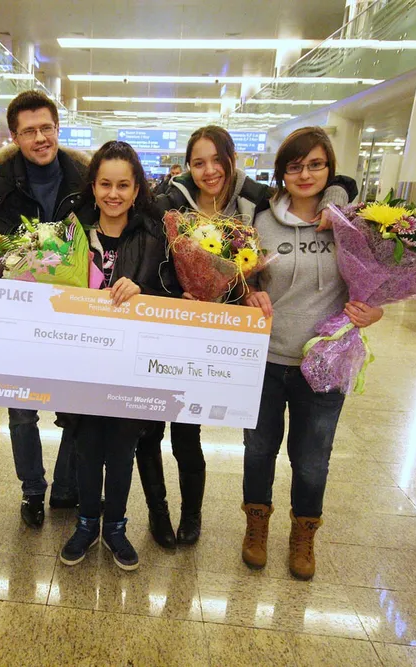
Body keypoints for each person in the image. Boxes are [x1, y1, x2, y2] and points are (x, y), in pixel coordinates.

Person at [137, 126, 358, 549]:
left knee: (188, 432)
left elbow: (336, 182)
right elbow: (152, 259)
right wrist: (176, 293)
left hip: (229, 340)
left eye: (216, 160)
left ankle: (193, 515)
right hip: (174, 330)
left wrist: (335, 196)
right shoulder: (169, 202)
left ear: (232, 159)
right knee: (150, 431)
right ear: (187, 166)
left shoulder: (254, 201)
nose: (209, 170)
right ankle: (159, 513)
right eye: (198, 162)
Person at [240, 126, 382, 580]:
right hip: (265, 359)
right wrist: (248, 292)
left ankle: (304, 533)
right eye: (295, 166)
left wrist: (374, 310)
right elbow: (244, 276)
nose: (305, 174)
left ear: (330, 170)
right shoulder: (260, 220)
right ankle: (256, 525)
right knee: (258, 450)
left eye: (316, 165)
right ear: (281, 172)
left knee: (312, 459)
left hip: (325, 362)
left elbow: (376, 281)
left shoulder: (351, 224)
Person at [59, 140, 180, 571]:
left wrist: (142, 291)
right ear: (93, 187)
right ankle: (86, 524)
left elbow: (173, 295)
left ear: (136, 189)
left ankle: (115, 527)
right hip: (82, 363)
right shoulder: (71, 232)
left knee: (122, 450)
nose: (113, 194)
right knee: (87, 447)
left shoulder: (154, 235)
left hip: (132, 366)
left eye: (123, 185)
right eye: (105, 184)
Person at [0, 90, 89, 527]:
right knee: (22, 413)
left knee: (75, 410)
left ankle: (65, 486)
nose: (40, 138)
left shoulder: (85, 179)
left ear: (58, 129)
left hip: (73, 312)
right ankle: (32, 491)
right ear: (15, 136)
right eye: (29, 131)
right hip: (19, 317)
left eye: (46, 128)